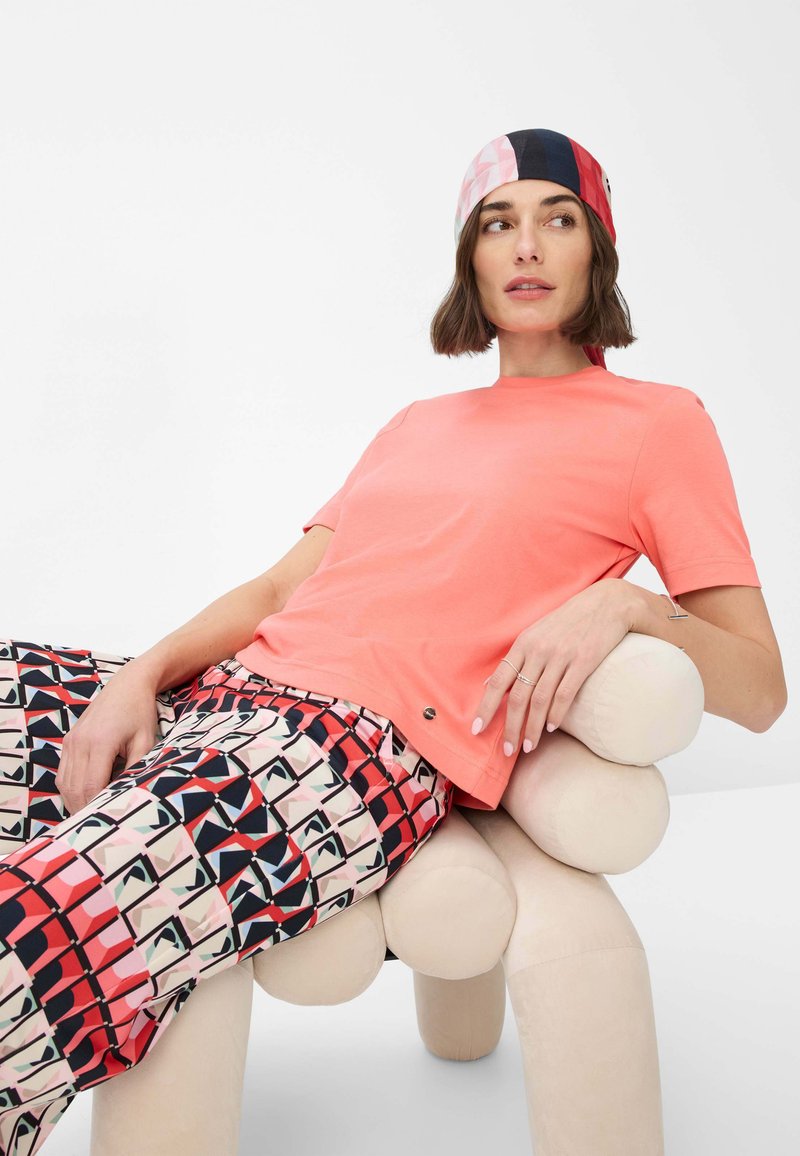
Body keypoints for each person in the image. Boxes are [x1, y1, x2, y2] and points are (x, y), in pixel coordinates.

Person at [0, 127, 786, 1155]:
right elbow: (280, 587)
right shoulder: (418, 421)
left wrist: (628, 606)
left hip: (356, 746)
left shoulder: (657, 423)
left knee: (48, 918)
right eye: (497, 223)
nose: (525, 245)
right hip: (230, 694)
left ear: (596, 249)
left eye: (557, 219)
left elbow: (760, 687)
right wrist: (140, 676)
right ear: (470, 258)